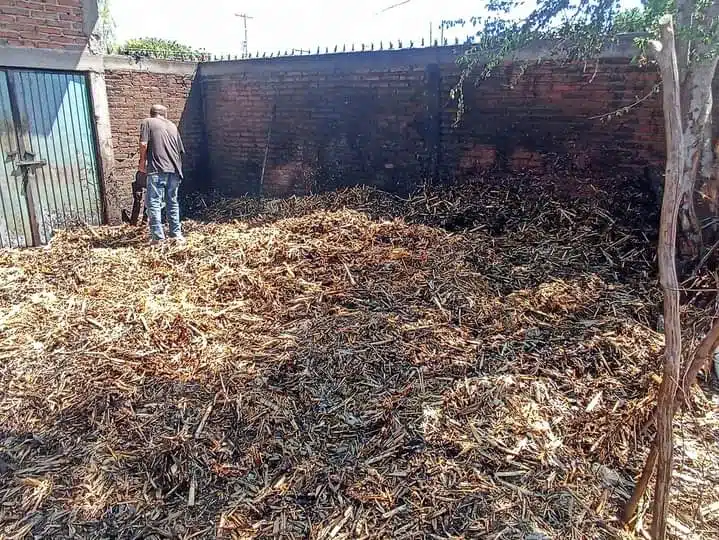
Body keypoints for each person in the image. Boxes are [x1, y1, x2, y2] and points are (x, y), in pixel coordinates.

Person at [138, 104, 185, 244]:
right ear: (165, 114)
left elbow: (143, 144)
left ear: (152, 113)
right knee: (172, 202)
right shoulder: (172, 126)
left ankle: (158, 238)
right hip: (175, 170)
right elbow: (180, 150)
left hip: (157, 169)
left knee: (153, 203)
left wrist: (142, 162)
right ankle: (176, 235)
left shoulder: (147, 122)